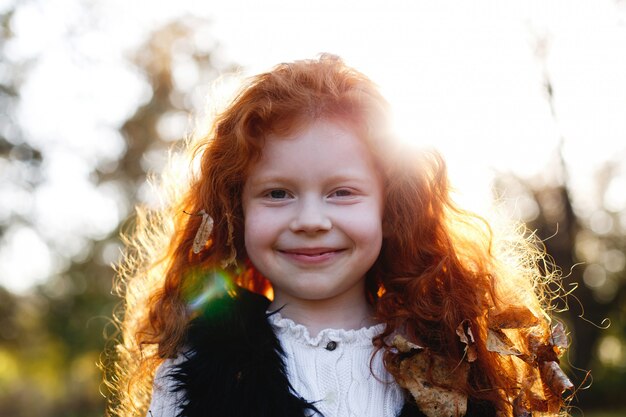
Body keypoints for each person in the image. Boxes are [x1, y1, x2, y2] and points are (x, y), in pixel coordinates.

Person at [107, 54, 573, 417]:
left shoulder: (457, 363)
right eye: (277, 193)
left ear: (390, 209)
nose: (311, 219)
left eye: (342, 192)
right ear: (236, 211)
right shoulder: (197, 364)